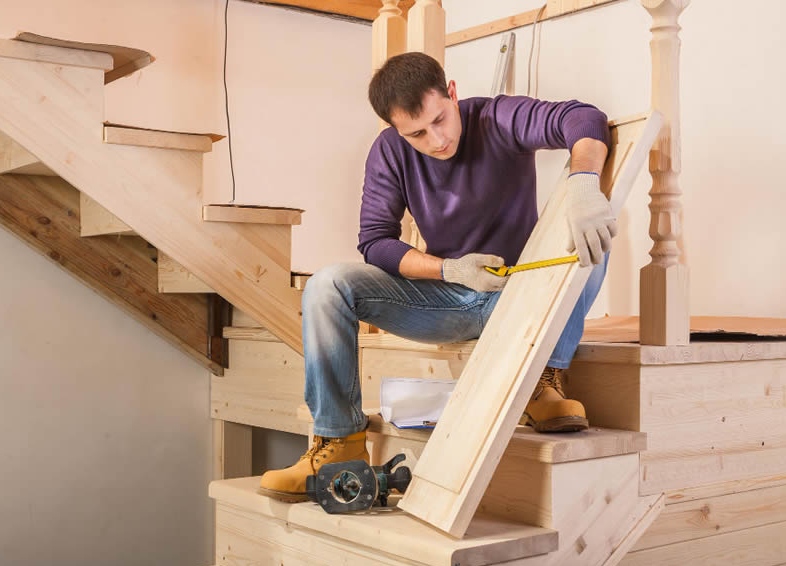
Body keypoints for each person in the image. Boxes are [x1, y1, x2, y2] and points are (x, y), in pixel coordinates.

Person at [258, 52, 616, 501]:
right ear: (394, 128)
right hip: (448, 299)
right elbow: (376, 242)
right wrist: (449, 269)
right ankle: (340, 443)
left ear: (452, 93)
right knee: (327, 285)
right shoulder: (389, 151)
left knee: (592, 229)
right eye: (416, 134)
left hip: (524, 292)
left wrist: (584, 184)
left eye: (440, 120)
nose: (436, 139)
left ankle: (544, 378)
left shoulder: (496, 117)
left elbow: (583, 118)